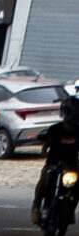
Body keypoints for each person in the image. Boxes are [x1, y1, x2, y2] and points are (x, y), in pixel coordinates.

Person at [33, 79, 79, 226]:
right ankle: (36, 206)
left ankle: (70, 209)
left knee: (77, 186)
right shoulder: (55, 129)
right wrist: (44, 151)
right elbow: (46, 143)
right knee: (45, 179)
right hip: (53, 162)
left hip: (71, 164)